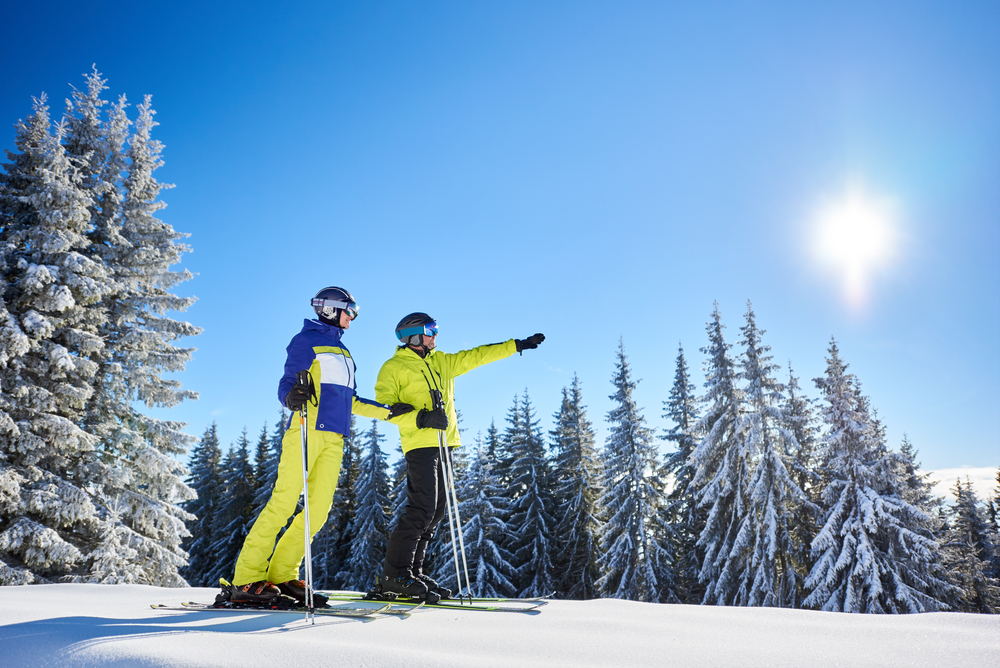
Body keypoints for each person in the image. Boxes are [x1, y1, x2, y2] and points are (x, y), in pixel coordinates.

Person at [228, 287, 413, 605]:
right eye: (350, 311)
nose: (352, 318)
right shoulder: (306, 340)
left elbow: (349, 400)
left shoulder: (344, 352)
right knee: (283, 503)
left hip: (335, 437)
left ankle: (282, 575)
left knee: (318, 511)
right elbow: (287, 381)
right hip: (306, 429)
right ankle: (245, 580)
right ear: (330, 309)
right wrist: (289, 397)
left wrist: (392, 413)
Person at [373, 312, 544, 600]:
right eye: (431, 330)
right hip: (420, 444)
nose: (435, 335)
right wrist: (423, 418)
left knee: (437, 510)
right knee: (422, 508)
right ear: (412, 335)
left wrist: (515, 345)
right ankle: (394, 575)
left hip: (445, 444)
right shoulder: (393, 367)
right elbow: (385, 407)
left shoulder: (442, 362)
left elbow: (476, 356)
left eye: (436, 329)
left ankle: (411, 572)